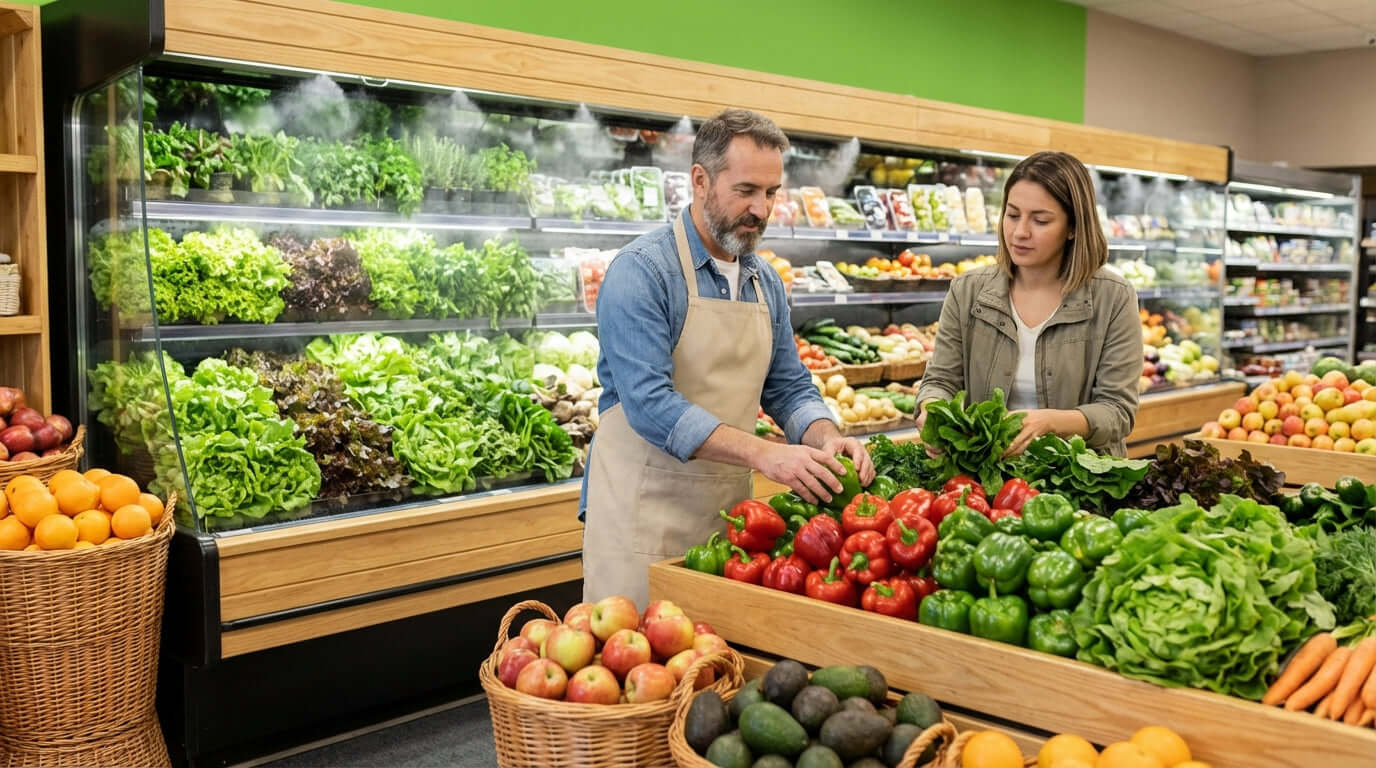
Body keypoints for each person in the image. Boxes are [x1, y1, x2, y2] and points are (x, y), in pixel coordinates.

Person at [581, 109, 875, 606]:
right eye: (746, 190)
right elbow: (650, 404)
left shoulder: (765, 281)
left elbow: (788, 386)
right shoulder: (642, 272)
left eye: (772, 192)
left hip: (732, 525)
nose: (762, 209)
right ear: (700, 180)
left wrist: (826, 437)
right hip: (640, 518)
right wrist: (764, 453)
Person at [915, 151, 1141, 458]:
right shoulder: (967, 291)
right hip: (984, 475)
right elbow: (940, 381)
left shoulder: (1113, 297)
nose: (1020, 232)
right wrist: (934, 410)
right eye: (1012, 215)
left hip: (1079, 474)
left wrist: (1050, 423)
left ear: (1073, 227)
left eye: (1040, 220)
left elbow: (1118, 412)